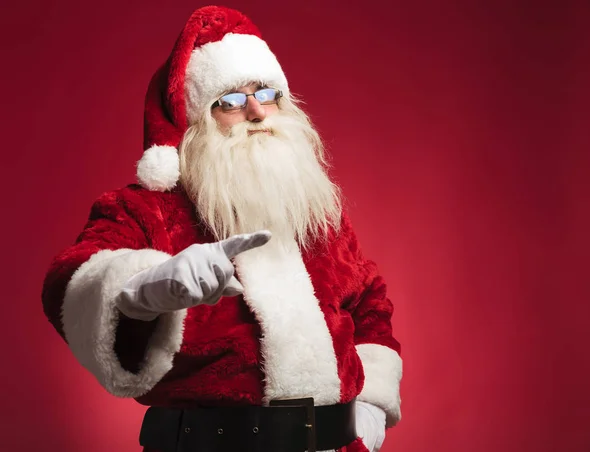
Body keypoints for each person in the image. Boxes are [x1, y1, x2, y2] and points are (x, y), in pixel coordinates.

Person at [41, 5, 402, 452]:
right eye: (229, 101)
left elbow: (369, 300)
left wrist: (370, 406)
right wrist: (143, 288)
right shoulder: (147, 207)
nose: (255, 111)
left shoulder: (313, 207)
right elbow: (67, 280)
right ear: (197, 121)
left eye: (267, 93)